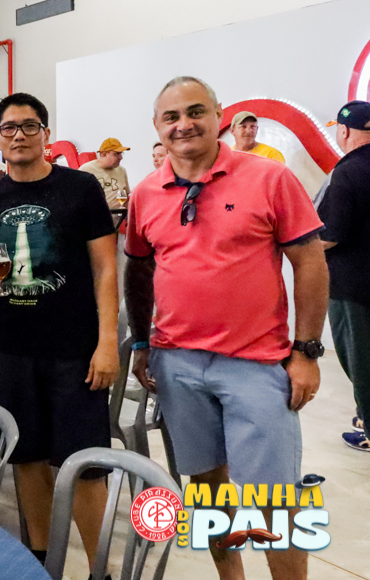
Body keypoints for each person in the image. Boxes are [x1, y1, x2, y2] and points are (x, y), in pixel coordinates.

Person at [126, 76, 327, 580]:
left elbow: (310, 262)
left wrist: (306, 352)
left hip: (256, 365)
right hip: (176, 365)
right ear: (157, 126)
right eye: (171, 117)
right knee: (207, 491)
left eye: (195, 111)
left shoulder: (269, 178)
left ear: (219, 116)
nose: (184, 124)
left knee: (275, 501)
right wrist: (144, 342)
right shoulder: (146, 193)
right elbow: (138, 270)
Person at [0, 93, 118, 574]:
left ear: (46, 134)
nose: (19, 135)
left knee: (85, 465)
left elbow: (105, 270)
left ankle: (99, 569)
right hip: (14, 347)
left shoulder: (81, 188)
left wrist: (108, 342)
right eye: (9, 128)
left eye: (30, 126)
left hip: (75, 349)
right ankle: (40, 562)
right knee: (26, 457)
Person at [317, 100, 370, 452]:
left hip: (352, 284)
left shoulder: (347, 171)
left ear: (345, 130)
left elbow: (331, 234)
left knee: (360, 360)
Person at [78, 138, 131, 210]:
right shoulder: (86, 170)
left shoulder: (121, 171)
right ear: (103, 154)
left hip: (118, 216)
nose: (120, 157)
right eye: (116, 154)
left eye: (121, 154)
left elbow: (126, 197)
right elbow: (77, 197)